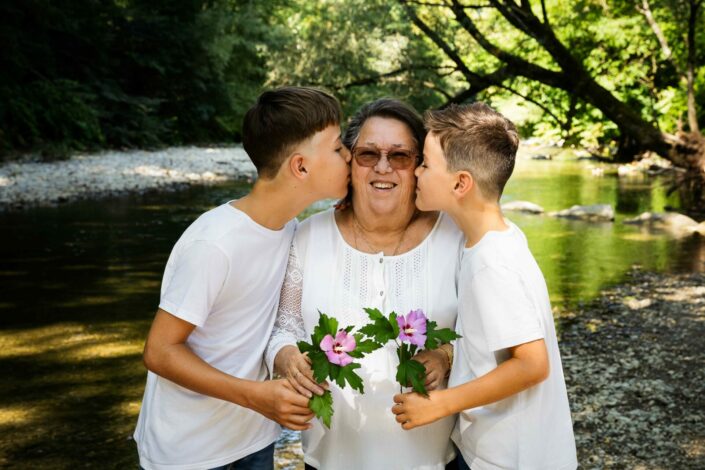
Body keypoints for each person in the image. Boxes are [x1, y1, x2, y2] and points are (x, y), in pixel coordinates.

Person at [133, 86, 352, 470]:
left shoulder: (290, 231)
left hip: (253, 440)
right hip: (189, 452)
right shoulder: (214, 243)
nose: (349, 156)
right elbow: (159, 351)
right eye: (337, 148)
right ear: (300, 167)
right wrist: (257, 396)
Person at [265, 98, 465, 470]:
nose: (383, 167)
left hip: (433, 460)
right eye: (368, 154)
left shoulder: (454, 237)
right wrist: (287, 357)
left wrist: (445, 357)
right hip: (329, 459)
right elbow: (283, 326)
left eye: (400, 156)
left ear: (419, 165)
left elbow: (482, 334)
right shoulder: (308, 235)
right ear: (350, 162)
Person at [391, 103, 577, 470]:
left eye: (426, 164)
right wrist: (447, 356)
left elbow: (531, 364)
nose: (416, 171)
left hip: (511, 460)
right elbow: (492, 347)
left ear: (461, 183)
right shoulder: (499, 238)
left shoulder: (491, 264)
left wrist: (441, 403)